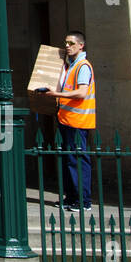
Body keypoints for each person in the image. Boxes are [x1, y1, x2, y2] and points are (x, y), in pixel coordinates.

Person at [41, 31, 96, 212]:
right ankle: (72, 197)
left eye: (71, 43)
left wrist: (56, 94)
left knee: (77, 160)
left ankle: (83, 200)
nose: (67, 46)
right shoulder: (71, 66)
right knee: (69, 160)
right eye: (65, 43)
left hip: (78, 121)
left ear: (81, 45)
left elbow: (81, 92)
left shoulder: (83, 67)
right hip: (67, 120)